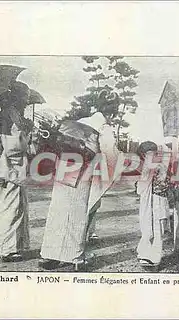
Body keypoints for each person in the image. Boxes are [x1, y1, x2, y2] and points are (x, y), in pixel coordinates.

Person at [39, 90, 121, 271]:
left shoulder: (81, 121)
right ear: (113, 111)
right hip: (83, 171)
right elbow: (111, 157)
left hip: (64, 168)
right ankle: (75, 257)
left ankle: (49, 256)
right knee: (77, 214)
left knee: (58, 211)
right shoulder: (105, 128)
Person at [0, 81, 34, 262]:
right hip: (10, 168)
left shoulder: (4, 114)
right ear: (18, 97)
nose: (26, 101)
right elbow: (14, 146)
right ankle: (7, 249)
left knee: (0, 207)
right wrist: (27, 134)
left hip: (1, 166)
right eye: (25, 97)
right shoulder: (12, 116)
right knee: (12, 208)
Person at [136, 141, 172, 269]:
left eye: (153, 153)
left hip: (158, 200)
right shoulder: (146, 167)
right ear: (144, 155)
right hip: (147, 201)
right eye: (147, 154)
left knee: (157, 229)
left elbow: (163, 183)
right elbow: (140, 188)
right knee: (147, 228)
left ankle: (154, 259)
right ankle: (144, 254)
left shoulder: (160, 166)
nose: (150, 156)